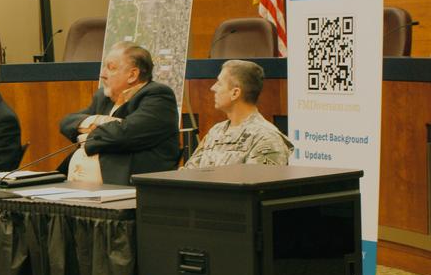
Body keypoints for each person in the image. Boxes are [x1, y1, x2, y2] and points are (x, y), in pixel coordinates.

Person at [60, 43, 180, 185]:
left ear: (132, 75)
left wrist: (89, 133)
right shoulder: (104, 97)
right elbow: (67, 123)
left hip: (128, 189)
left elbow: (123, 134)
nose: (102, 74)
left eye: (111, 68)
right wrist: (100, 120)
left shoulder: (158, 96)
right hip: (75, 185)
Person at [183, 59, 293, 168]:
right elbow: (188, 175)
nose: (213, 88)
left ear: (235, 93)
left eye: (219, 83)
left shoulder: (266, 138)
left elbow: (258, 183)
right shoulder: (216, 131)